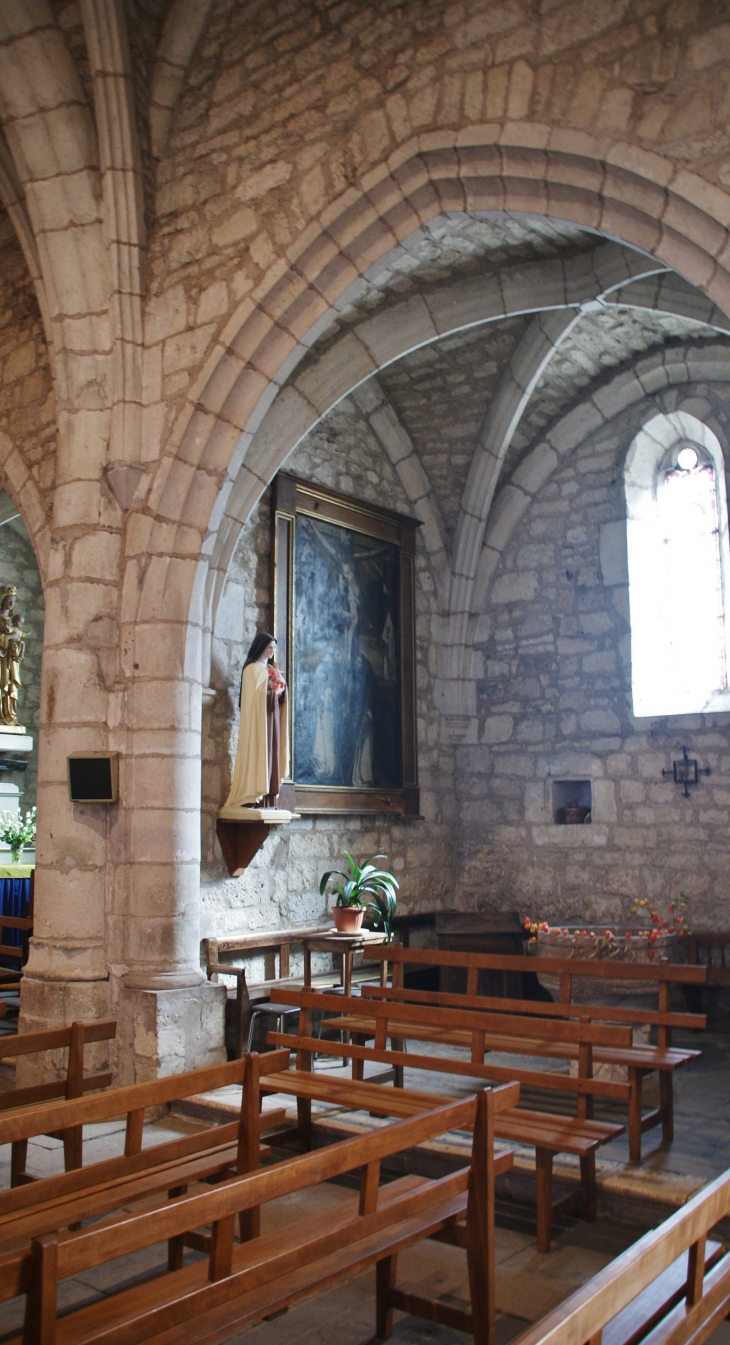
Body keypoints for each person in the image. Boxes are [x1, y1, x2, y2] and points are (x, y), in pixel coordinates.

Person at [223, 632, 289, 809]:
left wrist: (282, 690)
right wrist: (272, 692)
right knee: (259, 754)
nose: (271, 652)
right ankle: (252, 796)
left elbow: (276, 697)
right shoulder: (252, 669)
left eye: (273, 648)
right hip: (258, 724)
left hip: (271, 721)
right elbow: (254, 698)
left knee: (271, 756)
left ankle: (268, 799)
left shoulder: (269, 670)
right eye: (269, 648)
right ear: (260, 648)